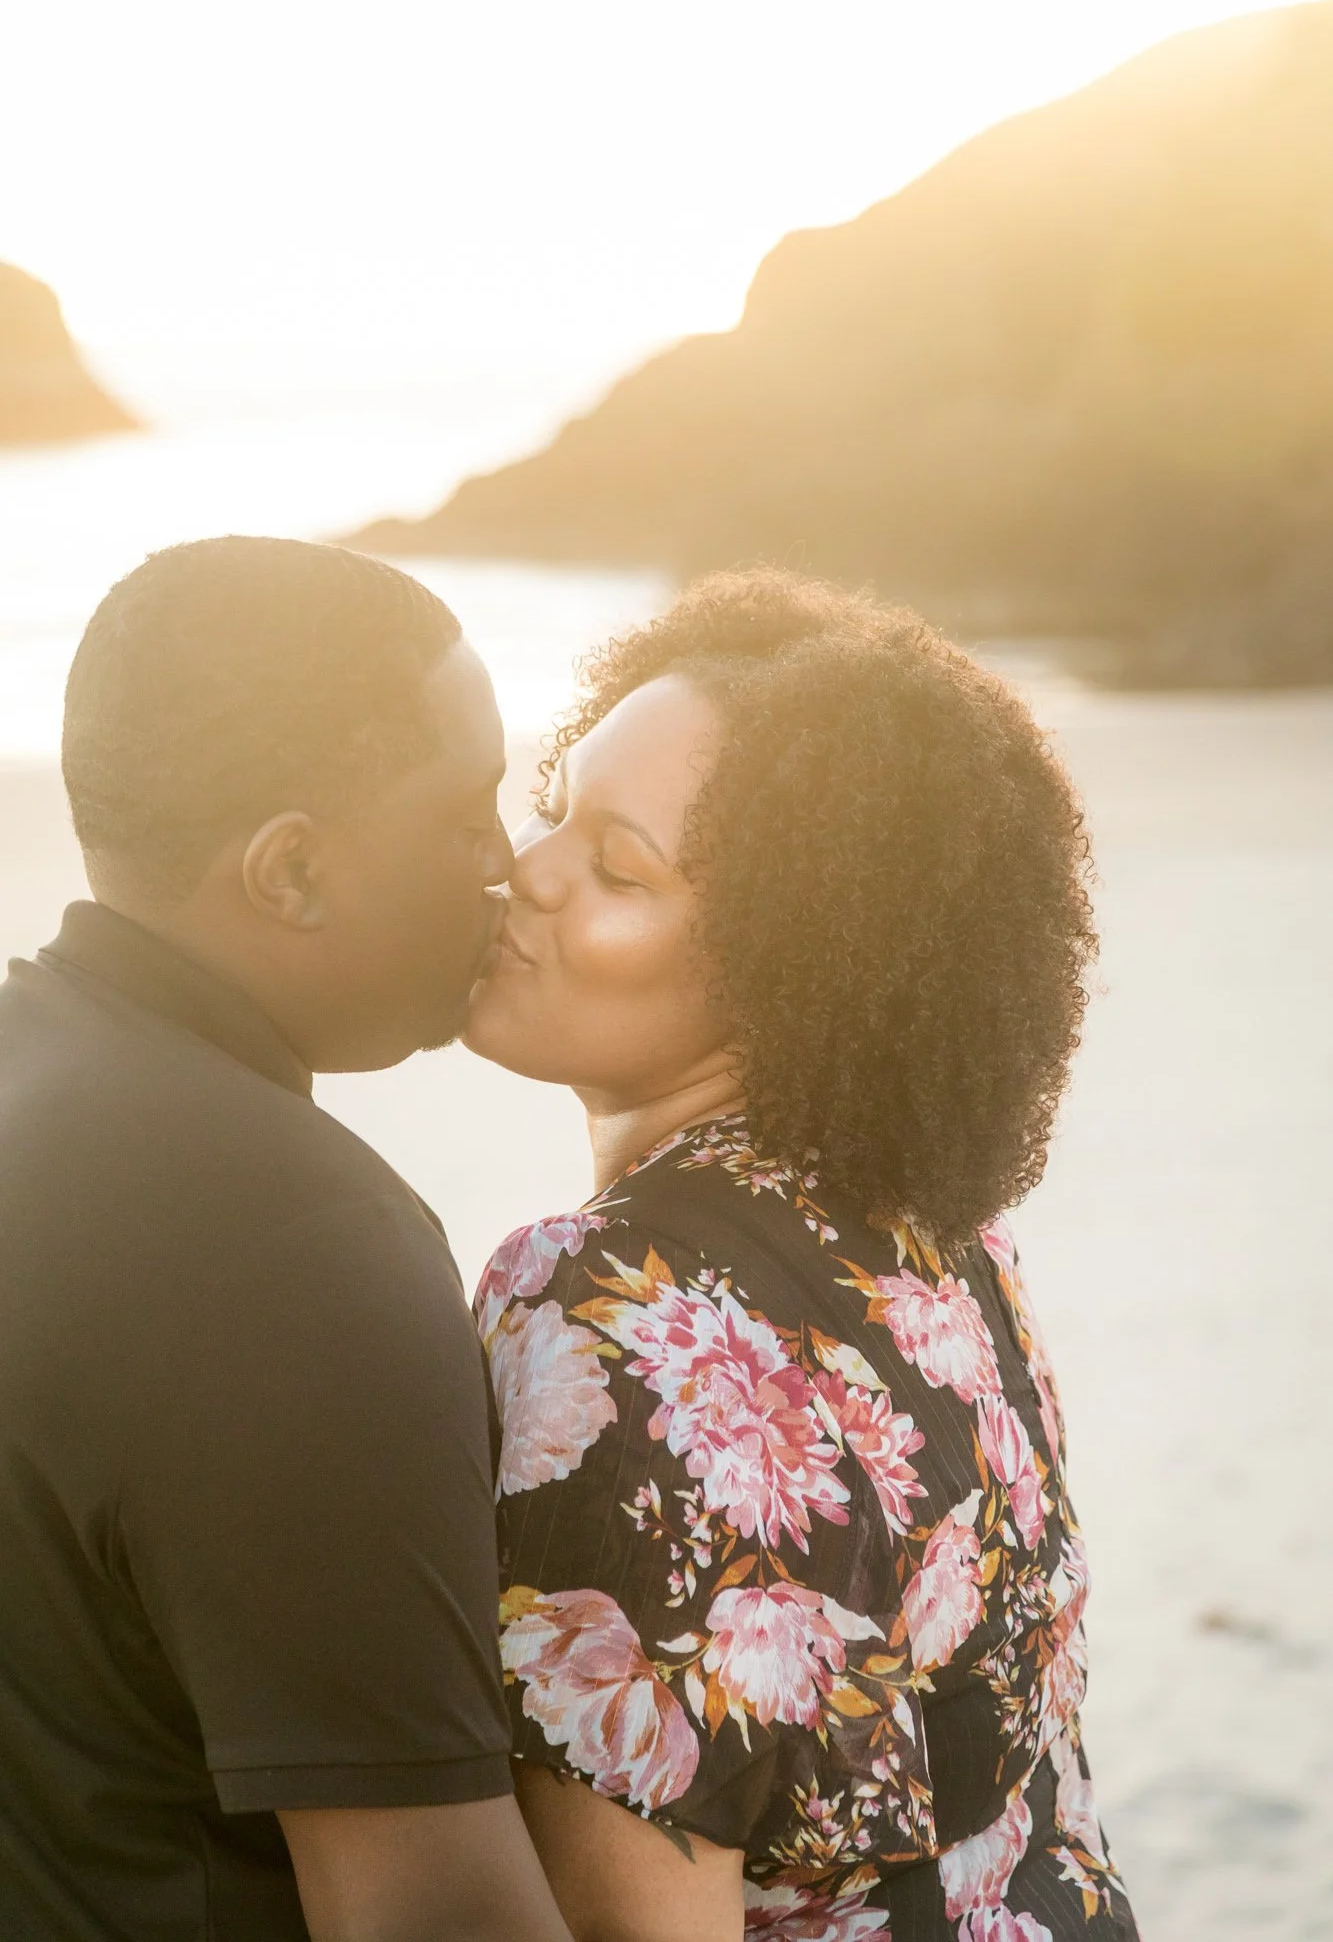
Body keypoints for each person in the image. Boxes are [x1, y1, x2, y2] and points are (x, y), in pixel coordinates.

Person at [466, 570, 1141, 1941]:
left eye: (618, 868)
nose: (523, 873)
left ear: (789, 964)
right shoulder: (947, 1250)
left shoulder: (606, 1307)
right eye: (553, 814)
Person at [0, 537, 573, 1942]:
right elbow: (437, 1922)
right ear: (295, 871)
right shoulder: (296, 1252)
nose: (510, 865)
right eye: (468, 809)